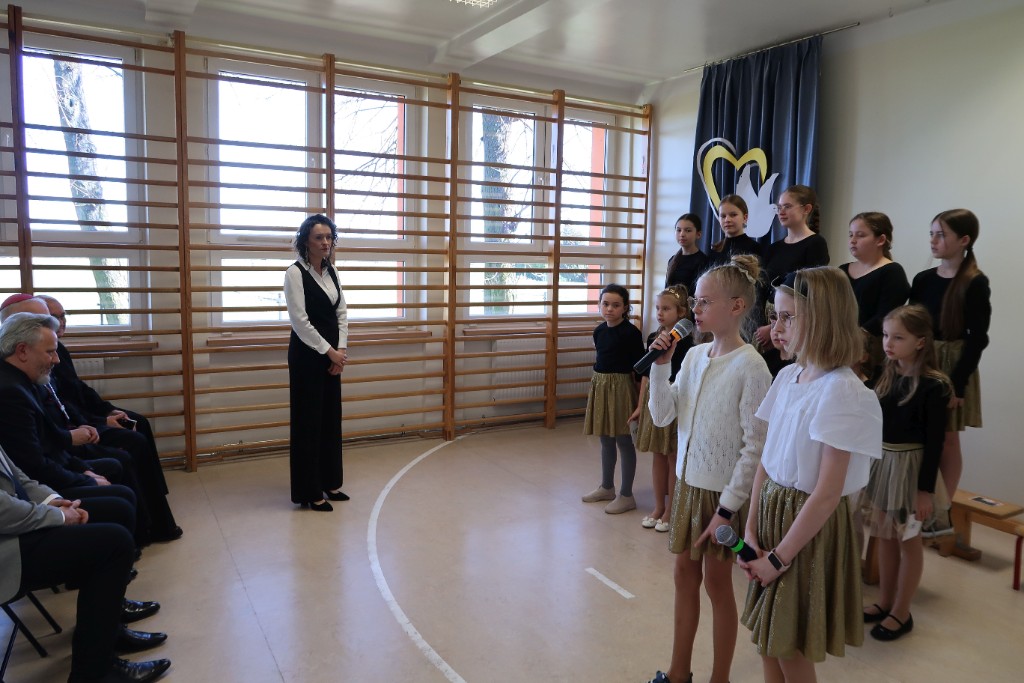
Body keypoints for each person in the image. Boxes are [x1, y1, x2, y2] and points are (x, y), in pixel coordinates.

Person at [739, 267, 883, 683]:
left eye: (788, 317)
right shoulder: (788, 376)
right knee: (768, 641)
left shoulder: (842, 391)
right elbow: (766, 460)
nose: (775, 328)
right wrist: (750, 531)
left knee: (790, 647)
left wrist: (778, 558)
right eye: (775, 316)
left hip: (804, 529)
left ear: (823, 319)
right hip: (771, 517)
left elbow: (826, 493)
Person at [646, 255, 771, 683]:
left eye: (703, 301)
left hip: (722, 498)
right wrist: (660, 368)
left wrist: (728, 507)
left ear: (736, 306)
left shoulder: (752, 366)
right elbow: (663, 416)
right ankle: (679, 671)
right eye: (695, 302)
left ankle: (721, 677)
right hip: (687, 486)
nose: (694, 309)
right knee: (684, 576)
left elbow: (755, 447)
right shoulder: (695, 355)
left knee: (718, 585)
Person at [0, 295, 181, 546]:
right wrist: (84, 471)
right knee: (123, 464)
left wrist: (104, 414)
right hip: (59, 454)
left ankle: (153, 517)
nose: (56, 359)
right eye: (42, 318)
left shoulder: (29, 368)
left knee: (137, 428)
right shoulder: (13, 388)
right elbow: (34, 459)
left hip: (70, 436)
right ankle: (143, 531)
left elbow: (75, 394)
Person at [1, 446, 171, 683]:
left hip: (13, 532)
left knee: (114, 526)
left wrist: (56, 502)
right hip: (6, 552)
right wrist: (59, 516)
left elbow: (17, 477)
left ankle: (108, 633)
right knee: (114, 544)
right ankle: (93, 673)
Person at [861, 305, 950, 642]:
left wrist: (924, 491)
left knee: (908, 540)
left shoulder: (934, 386)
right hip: (883, 464)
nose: (888, 343)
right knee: (884, 535)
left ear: (920, 342)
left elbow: (936, 442)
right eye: (886, 336)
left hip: (911, 470)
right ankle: (885, 601)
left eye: (898, 337)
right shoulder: (884, 375)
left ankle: (902, 610)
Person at [0, 313, 139, 515]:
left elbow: (49, 444)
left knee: (117, 473)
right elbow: (34, 465)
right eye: (50, 352)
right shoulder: (10, 392)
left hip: (49, 469)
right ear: (22, 351)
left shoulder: (23, 380)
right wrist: (86, 479)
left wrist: (83, 469)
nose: (57, 360)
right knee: (121, 500)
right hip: (35, 491)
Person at [908, 209, 989, 532]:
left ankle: (942, 510)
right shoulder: (923, 279)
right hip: (922, 360)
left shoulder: (974, 282)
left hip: (953, 366)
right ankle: (918, 501)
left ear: (964, 240)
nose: (933, 240)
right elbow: (911, 323)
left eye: (941, 235)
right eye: (932, 234)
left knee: (947, 438)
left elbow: (978, 339)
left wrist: (957, 384)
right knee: (921, 434)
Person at [284, 214, 349, 512]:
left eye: (329, 237)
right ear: (306, 241)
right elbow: (300, 321)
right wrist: (329, 352)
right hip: (307, 357)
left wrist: (341, 350)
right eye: (318, 237)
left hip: (332, 355)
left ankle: (330, 482)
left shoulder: (332, 270)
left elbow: (342, 312)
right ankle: (310, 491)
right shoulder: (295, 273)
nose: (325, 243)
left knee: (330, 419)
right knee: (308, 422)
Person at [629, 285, 692, 532]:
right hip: (655, 401)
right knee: (658, 455)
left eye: (666, 308)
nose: (659, 313)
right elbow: (646, 375)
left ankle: (671, 509)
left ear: (681, 312)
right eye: (657, 308)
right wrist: (639, 406)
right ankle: (658, 506)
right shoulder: (654, 337)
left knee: (673, 456)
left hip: (675, 401)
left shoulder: (688, 342)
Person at [581, 283, 645, 514]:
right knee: (605, 439)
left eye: (616, 305)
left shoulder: (631, 333)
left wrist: (639, 401)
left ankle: (626, 495)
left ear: (625, 308)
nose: (609, 309)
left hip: (622, 388)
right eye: (605, 304)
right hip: (601, 385)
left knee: (624, 441)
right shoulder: (599, 331)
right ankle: (607, 487)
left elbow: (640, 370)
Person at [753, 186, 830, 351]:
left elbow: (810, 293)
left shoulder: (815, 244)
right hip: (767, 323)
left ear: (806, 209)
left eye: (787, 206)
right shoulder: (773, 248)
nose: (781, 212)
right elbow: (762, 288)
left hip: (793, 325)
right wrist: (762, 325)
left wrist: (773, 327)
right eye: (779, 207)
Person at [838, 213, 911, 370]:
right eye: (850, 235)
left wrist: (856, 338)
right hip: (839, 343)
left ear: (881, 240)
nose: (852, 240)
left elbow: (886, 314)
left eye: (860, 235)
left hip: (872, 349)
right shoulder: (841, 271)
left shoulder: (892, 271)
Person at [665, 214, 709, 297]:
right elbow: (667, 289)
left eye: (688, 230)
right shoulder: (673, 259)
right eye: (679, 230)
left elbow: (698, 293)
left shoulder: (703, 261)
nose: (682, 234)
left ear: (698, 234)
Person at [710, 195, 762, 264]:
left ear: (745, 218)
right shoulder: (715, 250)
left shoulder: (755, 249)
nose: (727, 220)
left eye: (733, 215)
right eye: (723, 216)